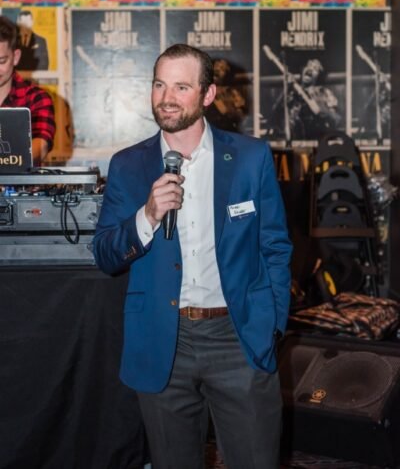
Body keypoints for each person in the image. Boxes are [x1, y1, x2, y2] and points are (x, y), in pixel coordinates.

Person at [93, 44, 292, 469]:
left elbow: (275, 245)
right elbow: (106, 254)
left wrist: (271, 322)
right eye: (159, 85)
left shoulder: (251, 157)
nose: (167, 98)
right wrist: (147, 216)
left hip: (238, 336)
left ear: (207, 94)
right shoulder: (128, 165)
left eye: (181, 87)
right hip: (164, 340)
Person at [0, 15, 55, 164]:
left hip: (19, 179)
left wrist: (13, 161)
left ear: (15, 57)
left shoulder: (36, 98)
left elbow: (41, 145)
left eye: (1, 61)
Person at [288, 58, 341, 140]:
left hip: (318, 140)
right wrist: (288, 89)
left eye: (315, 68)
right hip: (295, 141)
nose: (310, 69)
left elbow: (336, 119)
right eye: (308, 65)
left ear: (319, 76)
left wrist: (321, 110)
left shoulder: (325, 93)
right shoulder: (293, 93)